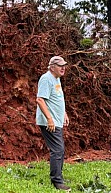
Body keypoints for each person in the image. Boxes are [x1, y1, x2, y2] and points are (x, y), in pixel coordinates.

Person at [36, 55, 70, 191]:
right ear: (52, 67)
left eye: (64, 65)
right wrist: (50, 119)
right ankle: (57, 181)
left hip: (56, 120)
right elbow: (40, 100)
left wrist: (64, 113)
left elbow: (57, 99)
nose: (63, 68)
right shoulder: (46, 79)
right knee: (57, 150)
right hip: (49, 122)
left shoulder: (56, 79)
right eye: (60, 66)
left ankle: (58, 176)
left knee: (60, 149)